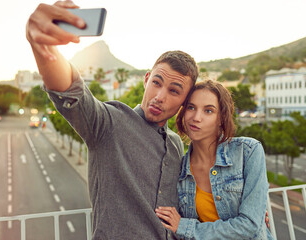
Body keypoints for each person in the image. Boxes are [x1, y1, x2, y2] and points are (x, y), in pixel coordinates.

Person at [26, 1, 199, 239]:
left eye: (174, 91)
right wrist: (42, 46)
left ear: (184, 100)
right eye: (157, 82)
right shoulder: (109, 123)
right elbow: (71, 92)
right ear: (146, 79)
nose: (159, 97)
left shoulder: (176, 144)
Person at [155, 80, 273, 239]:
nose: (196, 117)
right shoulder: (179, 168)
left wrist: (184, 227)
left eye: (208, 111)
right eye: (191, 107)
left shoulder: (248, 152)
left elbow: (250, 225)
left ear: (221, 119)